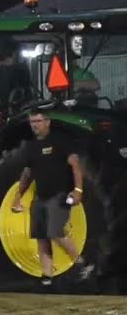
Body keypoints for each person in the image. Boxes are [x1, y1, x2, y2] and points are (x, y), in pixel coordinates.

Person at [9, 107, 96, 287]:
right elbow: (27, 174)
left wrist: (78, 190)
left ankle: (82, 263)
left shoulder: (60, 141)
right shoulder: (31, 146)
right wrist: (18, 197)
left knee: (54, 231)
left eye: (38, 121)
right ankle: (47, 276)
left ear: (47, 122)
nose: (34, 125)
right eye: (32, 122)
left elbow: (75, 165)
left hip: (59, 195)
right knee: (41, 237)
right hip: (39, 197)